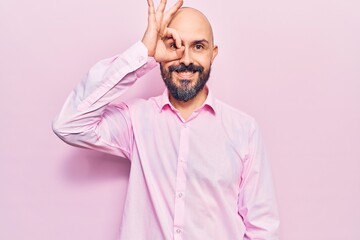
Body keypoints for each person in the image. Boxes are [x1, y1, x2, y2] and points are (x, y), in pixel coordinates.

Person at [52, 0, 280, 239]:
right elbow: (68, 124)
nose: (186, 59)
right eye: (174, 45)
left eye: (199, 46)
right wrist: (143, 53)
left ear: (213, 54)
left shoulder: (244, 130)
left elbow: (263, 228)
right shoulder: (136, 120)